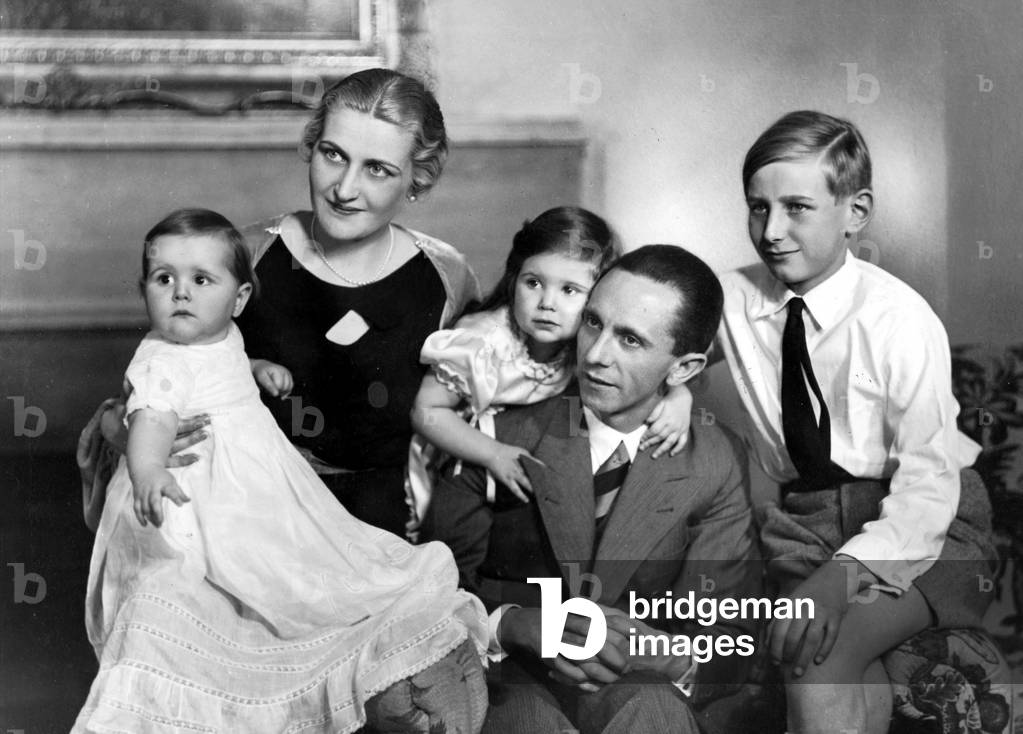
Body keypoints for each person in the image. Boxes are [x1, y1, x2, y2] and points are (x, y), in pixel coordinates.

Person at [75, 209, 487, 733]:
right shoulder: (162, 360)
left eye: (200, 280)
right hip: (192, 494)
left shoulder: (216, 336)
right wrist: (150, 469)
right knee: (207, 587)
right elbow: (153, 417)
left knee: (286, 560)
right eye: (163, 279)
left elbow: (218, 362)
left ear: (239, 300)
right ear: (144, 292)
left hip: (251, 483)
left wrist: (254, 368)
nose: (181, 293)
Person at [78, 68, 480, 537]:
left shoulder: (446, 277)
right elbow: (152, 379)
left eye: (377, 169)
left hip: (386, 519)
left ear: (418, 178)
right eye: (333, 154)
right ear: (312, 146)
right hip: (247, 515)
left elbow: (480, 415)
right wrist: (126, 431)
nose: (345, 189)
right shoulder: (244, 256)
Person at [709, 110, 997, 733]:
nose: (772, 231)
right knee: (826, 671)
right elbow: (653, 335)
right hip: (804, 522)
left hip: (928, 521)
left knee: (814, 645)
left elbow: (929, 486)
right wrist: (677, 388)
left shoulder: (900, 320)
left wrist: (839, 580)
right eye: (758, 208)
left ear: (856, 212)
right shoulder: (730, 298)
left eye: (797, 208)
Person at [422, 245, 762, 734]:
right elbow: (430, 597)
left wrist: (667, 656)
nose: (596, 355)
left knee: (656, 711)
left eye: (631, 340)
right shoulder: (499, 432)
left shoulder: (715, 457)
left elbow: (730, 634)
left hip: (635, 682)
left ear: (684, 369)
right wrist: (512, 624)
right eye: (593, 323)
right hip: (512, 674)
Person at [408, 207, 691, 536]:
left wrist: (679, 397)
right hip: (459, 452)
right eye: (533, 283)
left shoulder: (584, 342)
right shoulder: (482, 341)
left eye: (569, 290)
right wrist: (492, 454)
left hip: (523, 449)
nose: (547, 303)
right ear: (514, 279)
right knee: (450, 535)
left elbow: (641, 373)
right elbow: (426, 411)